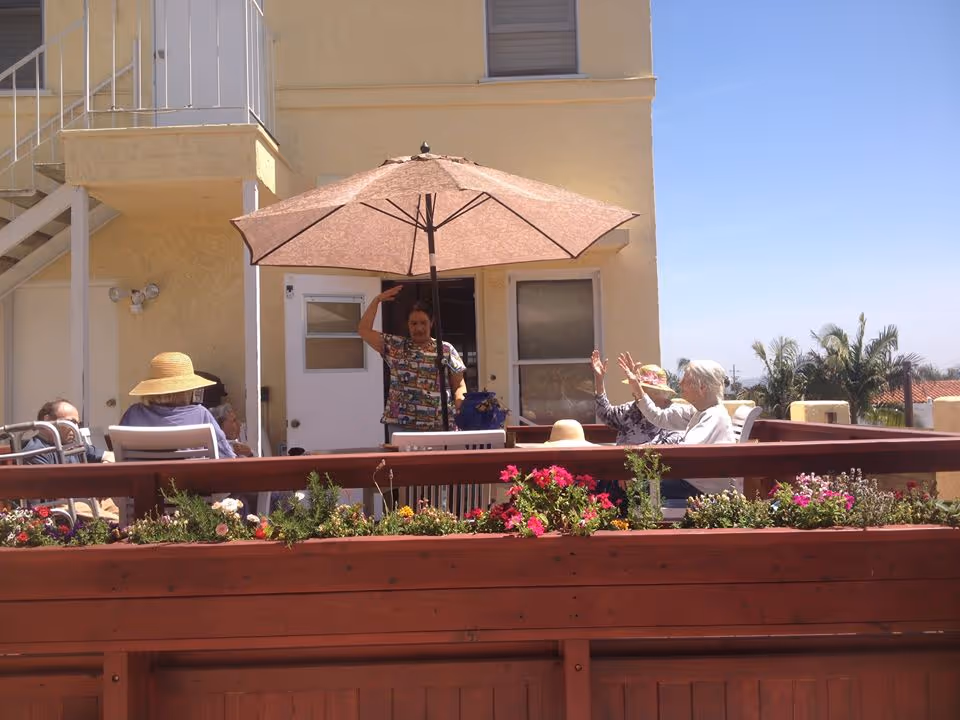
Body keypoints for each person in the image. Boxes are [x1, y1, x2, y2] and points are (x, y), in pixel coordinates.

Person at [358, 285, 467, 438]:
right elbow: (364, 330)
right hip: (402, 426)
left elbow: (459, 384)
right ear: (407, 324)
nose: (419, 328)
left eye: (423, 323)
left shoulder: (446, 349)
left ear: (432, 322)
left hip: (440, 424)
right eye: (414, 323)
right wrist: (377, 300)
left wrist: (460, 404)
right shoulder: (395, 346)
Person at [119, 351, 236, 458]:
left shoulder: (133, 415)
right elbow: (226, 458)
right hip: (190, 475)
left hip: (142, 475)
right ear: (187, 390)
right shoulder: (200, 415)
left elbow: (120, 454)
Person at [619, 354, 734, 445]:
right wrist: (637, 387)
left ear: (702, 387)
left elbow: (686, 450)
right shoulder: (697, 411)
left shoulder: (714, 416)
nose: (680, 382)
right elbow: (658, 417)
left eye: (686, 379)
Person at [591, 350, 681, 445]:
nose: (634, 394)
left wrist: (636, 450)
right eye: (636, 389)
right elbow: (606, 414)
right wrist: (599, 380)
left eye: (639, 390)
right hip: (624, 454)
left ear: (656, 393)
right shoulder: (630, 409)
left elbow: (671, 443)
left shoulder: (672, 414)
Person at [22, 399, 108, 465]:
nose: (76, 428)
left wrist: (105, 465)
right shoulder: (35, 452)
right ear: (47, 420)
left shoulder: (75, 445)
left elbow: (109, 455)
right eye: (71, 422)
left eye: (78, 424)